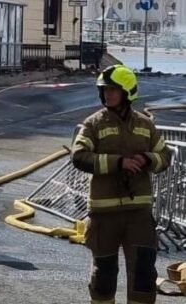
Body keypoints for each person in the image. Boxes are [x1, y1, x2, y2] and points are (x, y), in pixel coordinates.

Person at [71, 65, 171, 304]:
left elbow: (165, 156)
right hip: (104, 216)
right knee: (103, 277)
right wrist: (119, 163)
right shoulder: (93, 124)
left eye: (113, 90)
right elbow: (79, 156)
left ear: (127, 92)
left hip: (139, 214)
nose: (108, 94)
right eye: (105, 90)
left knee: (144, 277)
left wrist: (147, 159)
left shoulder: (145, 125)